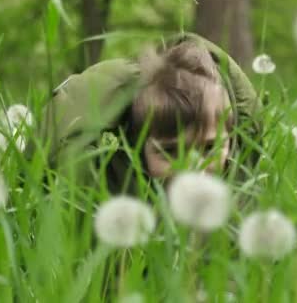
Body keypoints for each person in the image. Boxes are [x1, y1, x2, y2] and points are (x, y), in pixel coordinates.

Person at [33, 33, 262, 194]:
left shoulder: (245, 207)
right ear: (137, 150)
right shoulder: (105, 208)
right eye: (170, 151)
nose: (193, 168)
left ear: (232, 141)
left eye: (210, 147)